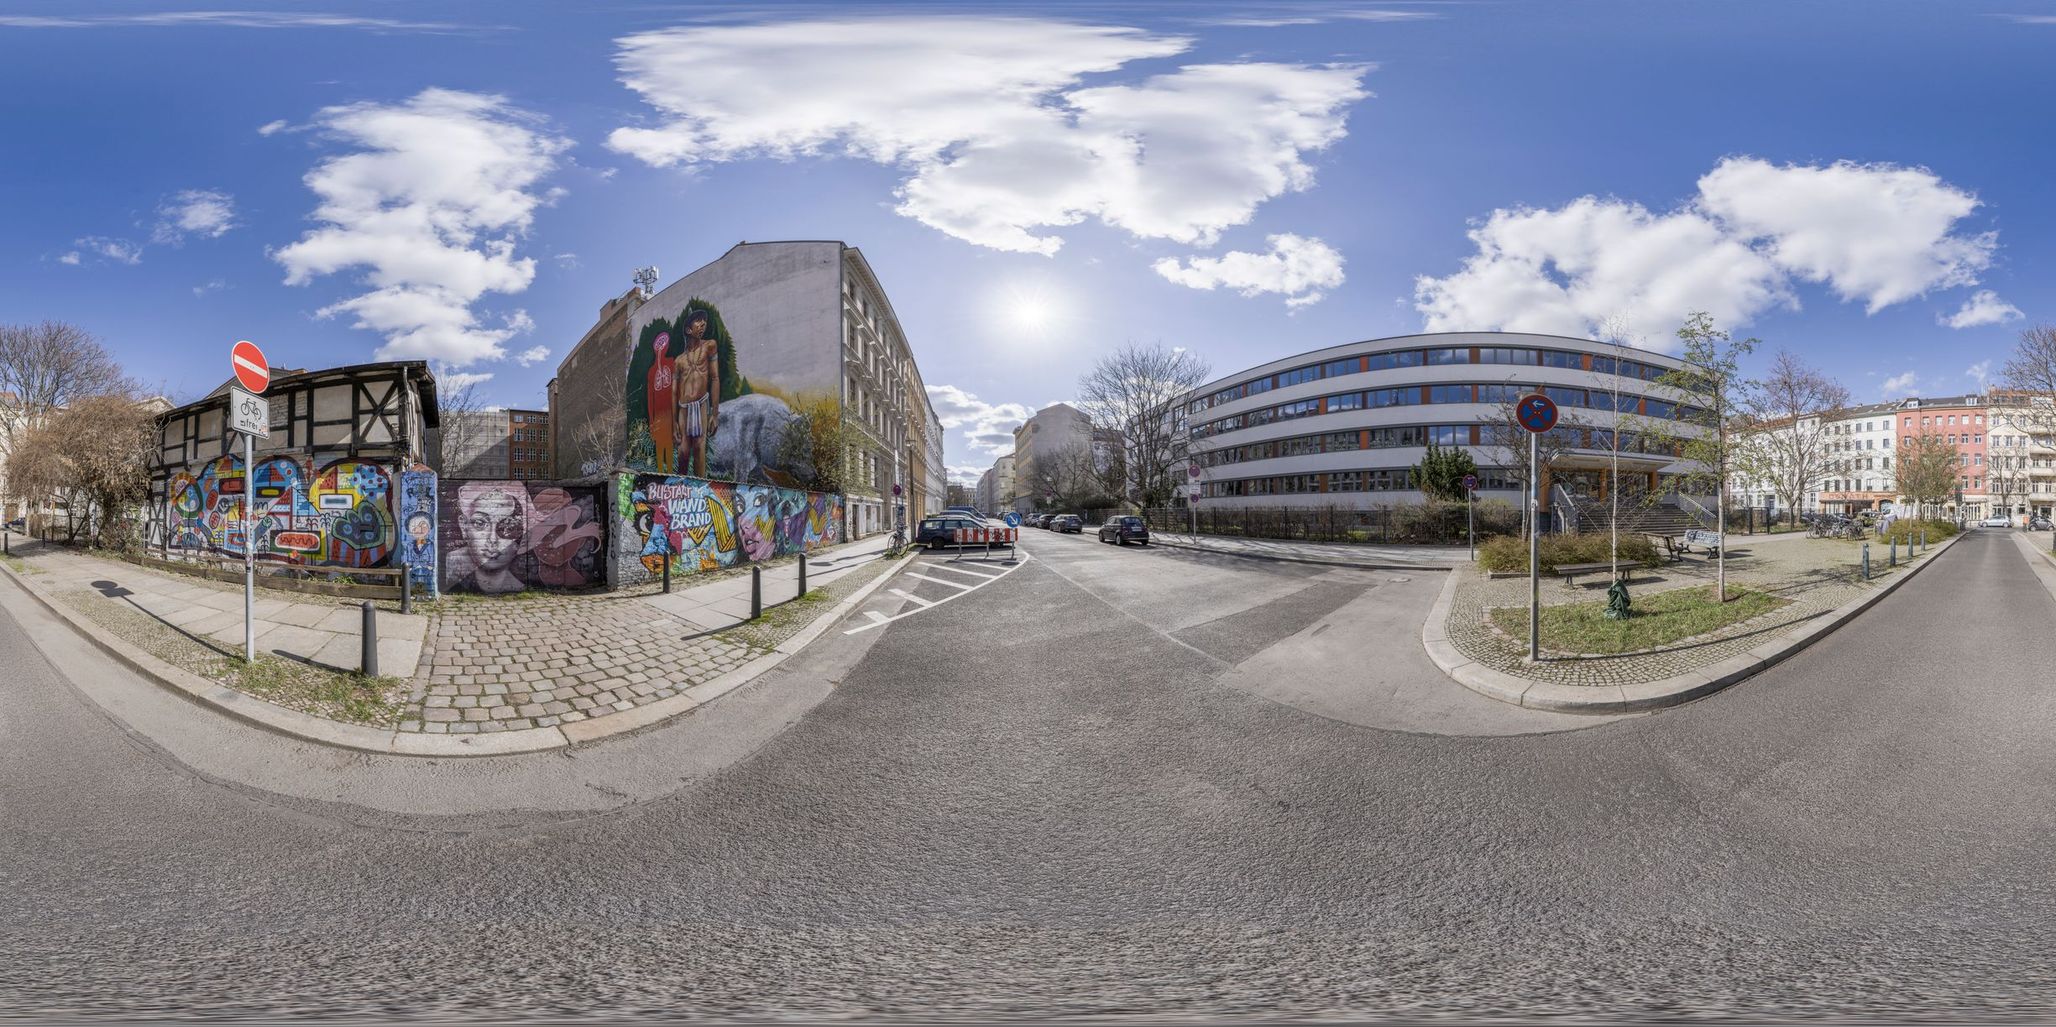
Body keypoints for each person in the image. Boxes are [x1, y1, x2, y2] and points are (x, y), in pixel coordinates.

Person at [674, 309, 720, 478]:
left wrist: (714, 414)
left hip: (701, 403)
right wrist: (674, 423)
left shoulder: (710, 346)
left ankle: (700, 492)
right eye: (698, 321)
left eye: (704, 321)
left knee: (700, 448)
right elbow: (673, 393)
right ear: (688, 330)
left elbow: (715, 378)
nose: (703, 324)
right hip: (684, 408)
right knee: (683, 451)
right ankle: (680, 492)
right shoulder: (679, 360)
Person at [645, 331, 675, 473]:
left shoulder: (671, 363)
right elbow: (650, 399)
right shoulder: (651, 371)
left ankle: (668, 473)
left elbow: (677, 391)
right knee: (661, 445)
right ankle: (662, 473)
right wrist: (651, 422)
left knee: (667, 445)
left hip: (668, 414)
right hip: (660, 417)